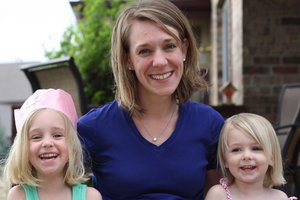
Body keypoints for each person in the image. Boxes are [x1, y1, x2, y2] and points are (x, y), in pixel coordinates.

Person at [77, 0, 224, 199]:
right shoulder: (92, 128)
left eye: (169, 46)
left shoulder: (210, 124)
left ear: (184, 49)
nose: (160, 61)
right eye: (144, 51)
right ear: (128, 59)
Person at [3, 89, 102, 200]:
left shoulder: (90, 196)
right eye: (36, 137)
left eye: (57, 135)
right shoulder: (19, 196)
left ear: (72, 145)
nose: (47, 143)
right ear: (23, 148)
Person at [205, 113, 298, 200]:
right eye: (236, 150)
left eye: (256, 148)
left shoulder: (279, 197)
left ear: (272, 157)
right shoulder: (219, 195)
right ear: (225, 160)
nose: (247, 156)